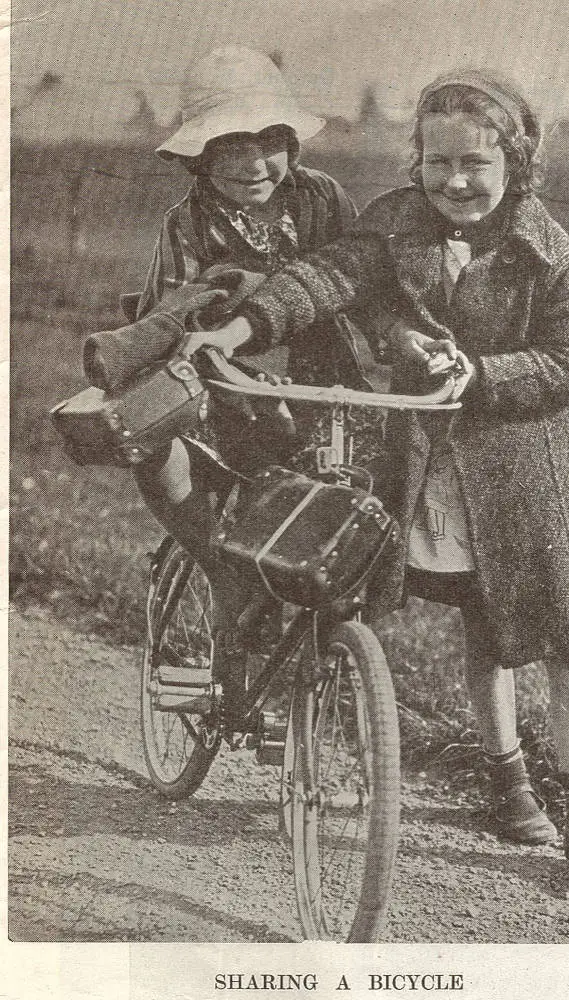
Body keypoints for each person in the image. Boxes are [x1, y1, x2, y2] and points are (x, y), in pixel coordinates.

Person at [184, 68, 569, 874]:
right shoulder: (394, 225)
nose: (455, 182)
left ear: (516, 164)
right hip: (427, 464)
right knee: (479, 624)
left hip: (529, 475)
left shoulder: (552, 253)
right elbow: (326, 278)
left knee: (565, 639)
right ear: (416, 161)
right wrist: (246, 325)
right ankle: (508, 785)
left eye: (476, 164)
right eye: (437, 163)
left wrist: (483, 376)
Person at [84, 45, 386, 664]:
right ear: (200, 156)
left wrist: (395, 337)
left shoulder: (321, 199)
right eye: (229, 146)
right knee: (200, 503)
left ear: (291, 145)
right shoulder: (190, 223)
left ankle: (324, 672)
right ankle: (226, 589)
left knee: (336, 533)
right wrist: (195, 340)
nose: (253, 164)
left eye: (268, 142)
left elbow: (362, 280)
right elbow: (167, 314)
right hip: (230, 387)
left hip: (318, 385)